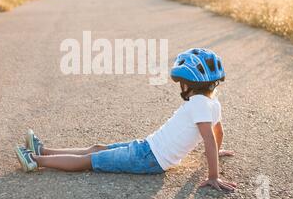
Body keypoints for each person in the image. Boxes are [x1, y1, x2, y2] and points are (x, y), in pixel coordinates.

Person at [15, 48, 236, 191]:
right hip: (147, 148)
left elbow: (209, 139)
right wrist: (216, 151)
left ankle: (36, 160)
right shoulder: (212, 104)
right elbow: (218, 133)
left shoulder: (197, 103)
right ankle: (44, 151)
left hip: (150, 158)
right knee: (97, 148)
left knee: (90, 161)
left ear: (188, 84)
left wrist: (213, 175)